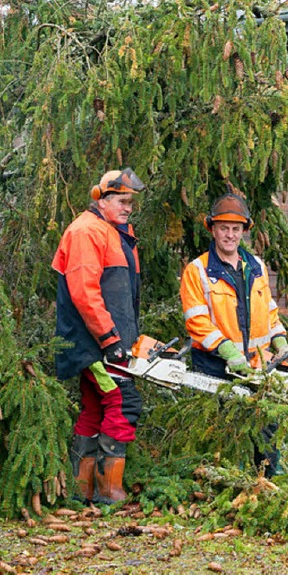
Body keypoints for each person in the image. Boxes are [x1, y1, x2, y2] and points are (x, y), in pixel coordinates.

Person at [180, 192, 288, 476]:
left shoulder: (256, 267)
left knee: (266, 425)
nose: (229, 235)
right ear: (213, 229)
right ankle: (220, 485)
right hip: (214, 366)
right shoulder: (198, 270)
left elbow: (268, 310)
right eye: (224, 228)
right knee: (223, 432)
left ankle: (266, 483)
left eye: (235, 229)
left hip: (255, 365)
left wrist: (279, 339)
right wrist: (227, 350)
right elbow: (197, 321)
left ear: (244, 231)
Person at [52, 168, 146, 504]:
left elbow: (119, 295)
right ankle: (109, 491)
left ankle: (81, 492)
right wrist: (110, 339)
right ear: (101, 199)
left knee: (94, 406)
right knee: (123, 402)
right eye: (122, 201)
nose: (127, 207)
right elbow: (84, 292)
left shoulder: (114, 233)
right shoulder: (86, 232)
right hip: (93, 344)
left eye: (130, 202)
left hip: (106, 342)